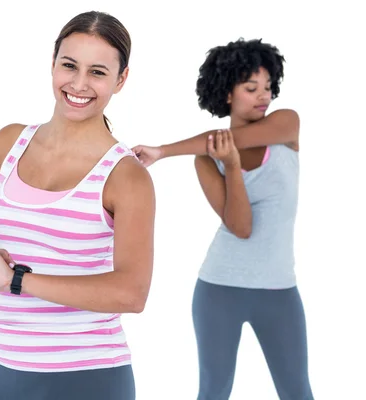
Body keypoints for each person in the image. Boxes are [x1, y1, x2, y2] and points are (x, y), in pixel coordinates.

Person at [0, 11, 155, 400]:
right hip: (4, 365)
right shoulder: (9, 142)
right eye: (69, 66)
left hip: (91, 375)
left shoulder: (126, 176)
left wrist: (17, 280)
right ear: (53, 64)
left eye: (98, 72)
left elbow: (131, 293)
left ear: (121, 80)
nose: (79, 84)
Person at [132, 38, 314, 399]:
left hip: (280, 291)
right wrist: (230, 167)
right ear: (227, 93)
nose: (264, 96)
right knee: (213, 392)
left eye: (268, 87)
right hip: (219, 289)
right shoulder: (206, 160)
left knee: (297, 392)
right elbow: (241, 228)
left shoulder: (286, 125)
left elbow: (230, 137)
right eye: (251, 88)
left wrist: (164, 151)